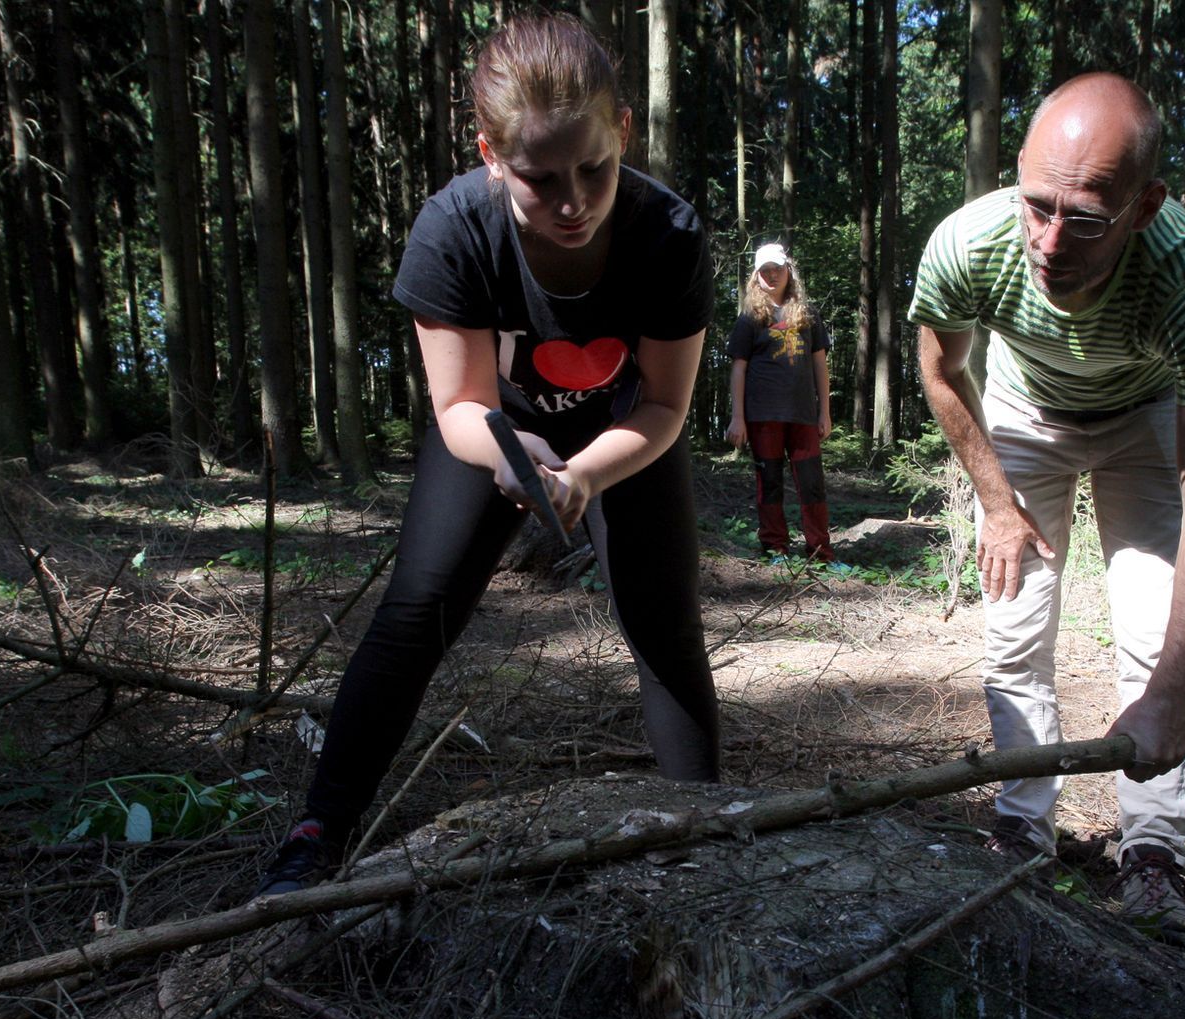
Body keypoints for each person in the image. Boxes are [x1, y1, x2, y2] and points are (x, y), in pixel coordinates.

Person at [256, 13, 720, 894]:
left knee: (664, 624)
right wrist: (512, 455)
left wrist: (586, 472)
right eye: (541, 180)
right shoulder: (453, 231)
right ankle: (317, 832)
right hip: (496, 431)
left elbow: (664, 404)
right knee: (415, 612)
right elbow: (458, 403)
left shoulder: (669, 234)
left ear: (623, 131)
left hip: (624, 433)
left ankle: (704, 839)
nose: (575, 201)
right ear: (490, 156)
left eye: (595, 168)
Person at [909, 73, 1185, 930]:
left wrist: (1172, 689)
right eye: (1037, 206)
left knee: (1151, 632)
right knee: (1016, 630)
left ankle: (1155, 851)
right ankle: (1023, 832)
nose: (1051, 242)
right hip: (1022, 417)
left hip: (1145, 419)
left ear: (1144, 206)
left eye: (1086, 218)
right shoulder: (970, 244)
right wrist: (995, 501)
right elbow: (942, 371)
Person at [725, 243, 834, 561]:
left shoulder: (808, 315)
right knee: (769, 482)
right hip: (762, 415)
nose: (772, 275)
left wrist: (824, 412)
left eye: (777, 269)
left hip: (802, 415)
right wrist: (737, 417)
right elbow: (738, 368)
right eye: (765, 271)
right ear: (757, 277)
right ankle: (775, 548)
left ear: (789, 271)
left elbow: (819, 365)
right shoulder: (750, 318)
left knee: (812, 484)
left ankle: (820, 551)